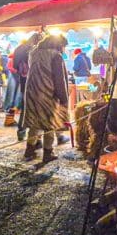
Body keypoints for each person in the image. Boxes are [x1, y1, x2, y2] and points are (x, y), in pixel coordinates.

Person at [23, 34, 69, 164]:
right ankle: (48, 153)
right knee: (49, 124)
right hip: (47, 93)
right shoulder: (55, 56)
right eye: (63, 46)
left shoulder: (34, 53)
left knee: (34, 122)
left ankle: (29, 150)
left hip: (32, 91)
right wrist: (63, 98)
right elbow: (59, 79)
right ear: (59, 44)